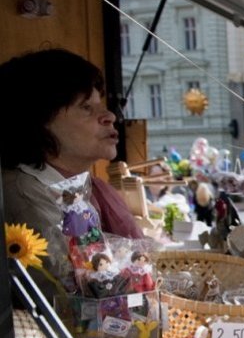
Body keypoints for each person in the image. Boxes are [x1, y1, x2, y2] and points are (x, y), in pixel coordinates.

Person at [0, 49, 144, 241]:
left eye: (100, 106)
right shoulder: (25, 195)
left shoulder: (70, 188)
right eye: (86, 107)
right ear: (40, 120)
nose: (110, 116)